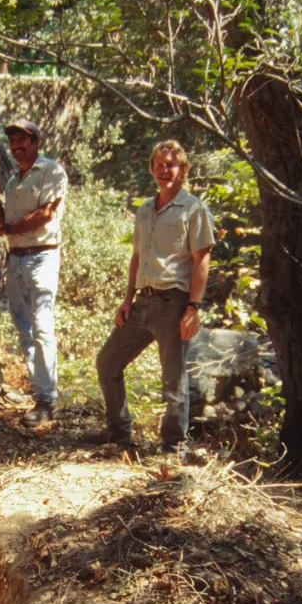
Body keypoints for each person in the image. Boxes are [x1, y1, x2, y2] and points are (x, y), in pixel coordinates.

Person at [90, 139, 215, 454]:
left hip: (173, 303)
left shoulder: (194, 209)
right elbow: (137, 257)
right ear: (152, 169)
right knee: (107, 362)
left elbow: (202, 260)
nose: (164, 170)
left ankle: (174, 446)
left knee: (173, 380)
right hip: (142, 302)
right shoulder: (145, 209)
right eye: (159, 165)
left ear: (183, 170)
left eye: (171, 165)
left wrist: (193, 308)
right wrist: (126, 300)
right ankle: (118, 432)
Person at [0, 119, 68, 429]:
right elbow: (5, 220)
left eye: (23, 140)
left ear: (36, 142)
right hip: (16, 259)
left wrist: (6, 227)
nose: (17, 146)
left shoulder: (51, 171)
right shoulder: (12, 180)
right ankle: (40, 391)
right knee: (24, 328)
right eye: (13, 141)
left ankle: (48, 400)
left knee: (42, 327)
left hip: (42, 257)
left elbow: (45, 214)